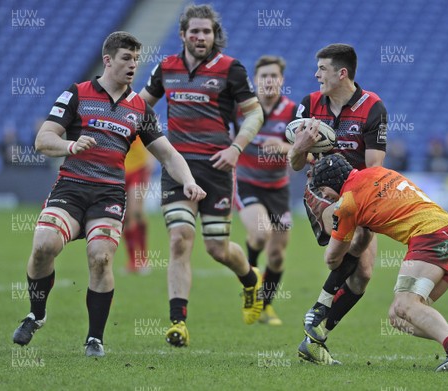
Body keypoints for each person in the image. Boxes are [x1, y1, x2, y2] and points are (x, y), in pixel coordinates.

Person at [11, 31, 206, 357]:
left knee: (101, 258)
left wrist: (187, 180)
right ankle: (37, 313)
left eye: (136, 60)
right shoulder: (77, 94)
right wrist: (70, 145)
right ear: (108, 60)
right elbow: (43, 140)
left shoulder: (139, 109)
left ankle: (95, 339)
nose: (133, 66)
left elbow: (168, 154)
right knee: (44, 244)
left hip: (109, 195)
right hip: (71, 187)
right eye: (126, 58)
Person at [139, 4, 265, 347]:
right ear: (183, 34)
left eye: (206, 32)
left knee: (217, 249)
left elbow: (254, 114)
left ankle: (251, 279)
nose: (200, 37)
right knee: (180, 239)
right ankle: (178, 323)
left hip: (217, 169)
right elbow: (140, 106)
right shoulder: (166, 67)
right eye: (194, 31)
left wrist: (236, 148)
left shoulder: (231, 69)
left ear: (214, 35)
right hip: (177, 167)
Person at [305, 154, 448, 371]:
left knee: (405, 305)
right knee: (398, 316)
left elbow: (332, 259)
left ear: (331, 182)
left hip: (432, 237)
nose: (324, 195)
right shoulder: (378, 173)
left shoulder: (347, 204)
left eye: (323, 189)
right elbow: (364, 233)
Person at [287, 43, 387, 363]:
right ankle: (318, 309)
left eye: (322, 69)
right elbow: (295, 164)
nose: (316, 75)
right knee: (357, 238)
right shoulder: (308, 105)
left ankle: (316, 340)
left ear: (341, 73)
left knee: (364, 274)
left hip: (357, 193)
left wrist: (352, 192)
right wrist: (300, 147)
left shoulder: (373, 108)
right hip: (319, 192)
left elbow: (374, 169)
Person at [235, 55, 296, 325]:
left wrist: (285, 147)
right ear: (255, 81)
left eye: (274, 76)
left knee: (277, 255)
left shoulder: (293, 112)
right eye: (264, 76)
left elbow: (305, 151)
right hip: (247, 183)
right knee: (260, 235)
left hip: (278, 189)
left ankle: (265, 306)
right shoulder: (242, 109)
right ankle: (250, 287)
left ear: (281, 80)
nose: (269, 81)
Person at [123, 137, 154, 274]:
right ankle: (132, 261)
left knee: (136, 212)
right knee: (125, 216)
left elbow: (152, 136)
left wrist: (151, 157)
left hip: (138, 167)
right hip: (120, 169)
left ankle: (143, 259)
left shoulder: (138, 116)